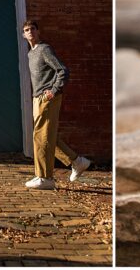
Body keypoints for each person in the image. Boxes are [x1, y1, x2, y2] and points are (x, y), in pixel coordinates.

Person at [22, 20, 92, 190]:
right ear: (23, 35)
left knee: (41, 136)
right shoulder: (31, 54)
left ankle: (45, 178)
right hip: (37, 97)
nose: (30, 32)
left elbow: (62, 70)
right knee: (46, 135)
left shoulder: (44, 49)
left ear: (38, 32)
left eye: (32, 29)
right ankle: (77, 161)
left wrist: (53, 90)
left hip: (47, 97)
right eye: (26, 30)